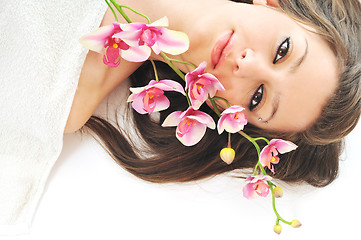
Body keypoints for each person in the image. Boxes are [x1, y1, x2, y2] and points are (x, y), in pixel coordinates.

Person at [65, 0, 361, 187]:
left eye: (257, 97)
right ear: (275, 4)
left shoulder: (67, 98)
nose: (246, 64)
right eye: (282, 50)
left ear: (226, 116)